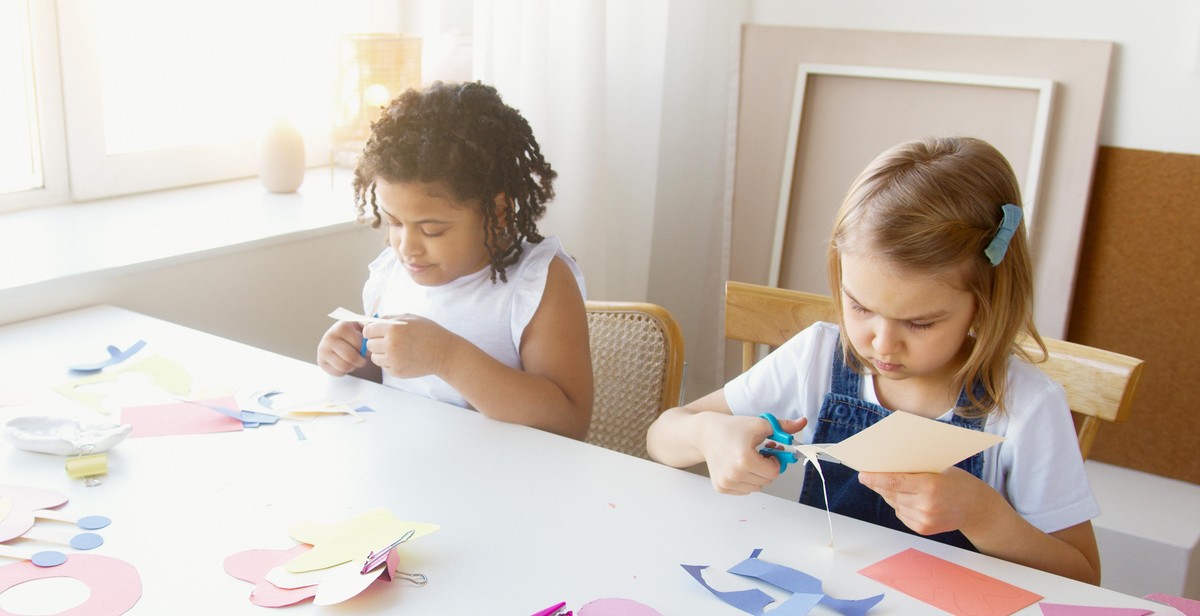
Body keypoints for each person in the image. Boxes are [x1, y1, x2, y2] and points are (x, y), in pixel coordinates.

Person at [646, 136, 1101, 583]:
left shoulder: (1025, 406)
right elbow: (661, 437)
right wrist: (708, 435)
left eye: (920, 323)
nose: (882, 344)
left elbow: (1082, 576)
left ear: (986, 303)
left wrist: (983, 515)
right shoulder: (819, 356)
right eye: (860, 307)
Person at [317, 81, 592, 440]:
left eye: (432, 230)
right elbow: (388, 385)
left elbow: (569, 421)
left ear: (499, 210)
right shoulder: (392, 275)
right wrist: (353, 357)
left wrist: (446, 357)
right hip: (409, 467)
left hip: (507, 480)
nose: (406, 247)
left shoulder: (537, 283)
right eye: (395, 223)